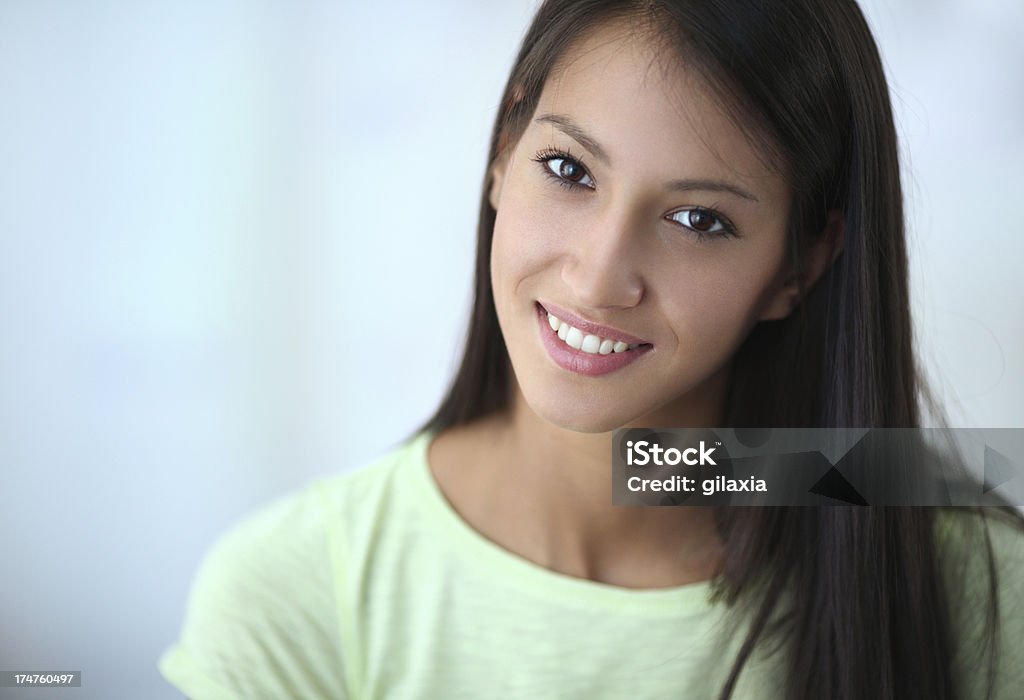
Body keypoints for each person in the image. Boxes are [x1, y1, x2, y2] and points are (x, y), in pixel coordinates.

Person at [158, 0, 1024, 698]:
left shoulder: (975, 582)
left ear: (802, 263)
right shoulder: (297, 593)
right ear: (504, 148)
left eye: (699, 220)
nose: (600, 277)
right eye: (571, 170)